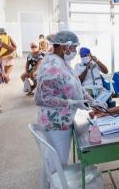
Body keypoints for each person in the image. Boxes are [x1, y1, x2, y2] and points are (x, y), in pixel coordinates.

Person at [35, 31, 94, 165]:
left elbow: (76, 85)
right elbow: (41, 98)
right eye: (74, 47)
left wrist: (92, 101)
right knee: (58, 161)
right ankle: (56, 184)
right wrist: (71, 103)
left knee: (56, 158)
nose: (75, 51)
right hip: (55, 122)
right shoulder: (52, 66)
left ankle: (54, 182)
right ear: (65, 47)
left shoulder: (63, 62)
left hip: (64, 120)